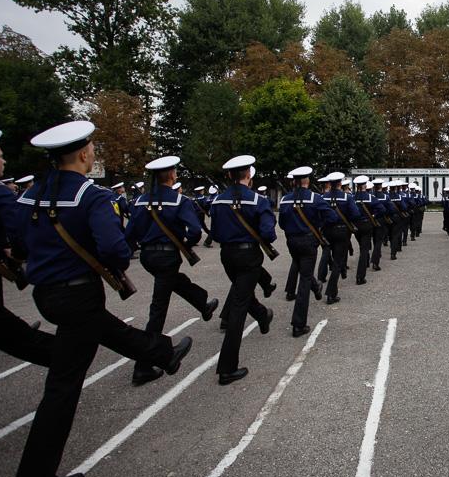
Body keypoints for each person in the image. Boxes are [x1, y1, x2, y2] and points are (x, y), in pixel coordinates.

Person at [10, 121, 193, 477]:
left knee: (103, 330)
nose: (93, 151)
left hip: (46, 294)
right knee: (62, 386)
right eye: (92, 146)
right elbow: (113, 248)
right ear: (83, 153)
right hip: (77, 291)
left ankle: (161, 353)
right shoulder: (91, 196)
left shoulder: (30, 195)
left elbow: (19, 242)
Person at [0, 130, 55, 476]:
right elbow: (21, 233)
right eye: (0, 155)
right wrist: (19, 257)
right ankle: (61, 356)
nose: (3, 160)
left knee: (1, 330)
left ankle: (57, 354)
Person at [124, 156, 219, 386]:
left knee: (175, 280)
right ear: (173, 175)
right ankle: (143, 366)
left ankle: (203, 303)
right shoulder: (179, 200)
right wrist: (184, 243)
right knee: (158, 308)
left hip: (148, 256)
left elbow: (130, 235)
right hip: (167, 256)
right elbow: (195, 231)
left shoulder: (140, 201)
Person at [209, 155, 275, 385]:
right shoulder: (258, 200)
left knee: (241, 294)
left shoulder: (217, 201)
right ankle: (227, 368)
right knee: (239, 306)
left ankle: (262, 315)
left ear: (229, 175)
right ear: (248, 175)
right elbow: (268, 234)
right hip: (249, 256)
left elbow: (214, 234)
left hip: (227, 255)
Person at [279, 166, 338, 336]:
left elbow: (282, 224)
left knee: (301, 268)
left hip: (291, 241)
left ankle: (316, 286)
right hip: (308, 241)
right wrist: (317, 223)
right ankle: (299, 324)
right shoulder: (315, 198)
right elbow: (332, 217)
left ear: (294, 182)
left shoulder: (285, 199)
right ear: (307, 181)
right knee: (304, 279)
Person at [318, 172, 359, 304]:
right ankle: (331, 293)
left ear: (330, 184)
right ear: (340, 183)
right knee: (337, 262)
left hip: (326, 231)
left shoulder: (323, 197)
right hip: (342, 231)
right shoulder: (347, 197)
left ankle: (321, 277)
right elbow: (355, 214)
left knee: (326, 253)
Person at [353, 175, 383, 285]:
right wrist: (374, 215)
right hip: (366, 224)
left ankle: (365, 262)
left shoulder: (352, 197)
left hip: (356, 226)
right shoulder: (370, 197)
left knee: (362, 247)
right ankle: (360, 277)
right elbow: (382, 209)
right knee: (364, 250)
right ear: (365, 186)